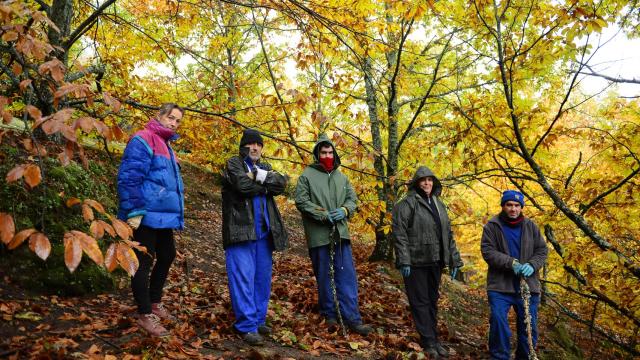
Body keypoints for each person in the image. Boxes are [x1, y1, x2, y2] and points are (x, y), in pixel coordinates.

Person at [117, 103, 185, 337]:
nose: (173, 123)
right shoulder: (143, 139)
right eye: (171, 118)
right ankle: (144, 313)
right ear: (160, 116)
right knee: (143, 263)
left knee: (167, 255)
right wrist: (134, 211)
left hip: (162, 216)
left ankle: (154, 302)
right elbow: (129, 177)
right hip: (145, 214)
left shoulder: (168, 146)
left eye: (177, 121)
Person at [294, 133, 372, 336]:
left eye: (330, 152)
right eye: (323, 152)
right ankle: (329, 314)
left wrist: (345, 211)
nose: (327, 155)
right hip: (319, 236)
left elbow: (352, 200)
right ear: (317, 154)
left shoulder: (342, 177)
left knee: (346, 276)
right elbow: (301, 201)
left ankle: (352, 318)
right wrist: (322, 214)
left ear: (334, 154)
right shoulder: (307, 176)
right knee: (325, 276)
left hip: (341, 235)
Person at [221, 128, 289, 346]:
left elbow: (281, 184)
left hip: (264, 234)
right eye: (250, 144)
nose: (254, 147)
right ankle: (246, 326)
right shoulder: (233, 164)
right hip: (240, 231)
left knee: (261, 280)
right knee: (242, 278)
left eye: (258, 144)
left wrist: (258, 176)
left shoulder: (265, 167)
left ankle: (258, 320)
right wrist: (262, 183)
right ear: (243, 147)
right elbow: (241, 185)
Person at [392, 166, 463, 358]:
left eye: (430, 180)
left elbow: (447, 234)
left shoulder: (439, 205)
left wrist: (454, 260)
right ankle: (428, 341)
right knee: (420, 301)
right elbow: (399, 234)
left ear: (434, 182)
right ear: (416, 183)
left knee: (432, 301)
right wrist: (404, 260)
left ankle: (434, 339)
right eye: (423, 180)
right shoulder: (406, 204)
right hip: (415, 262)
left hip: (436, 260)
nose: (427, 183)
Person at [480, 190, 548, 360]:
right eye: (509, 205)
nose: (513, 209)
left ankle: (524, 356)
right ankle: (499, 356)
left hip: (528, 286)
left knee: (528, 327)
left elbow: (542, 250)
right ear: (503, 206)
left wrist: (532, 265)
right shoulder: (492, 226)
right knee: (498, 321)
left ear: (521, 207)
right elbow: (488, 251)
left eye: (517, 205)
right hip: (500, 286)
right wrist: (511, 263)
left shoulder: (531, 226)